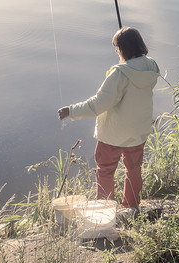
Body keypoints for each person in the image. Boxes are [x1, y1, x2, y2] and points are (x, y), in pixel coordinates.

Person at [57, 27, 159, 221]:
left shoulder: (119, 74)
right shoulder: (151, 67)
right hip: (138, 131)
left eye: (117, 47)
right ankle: (132, 207)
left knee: (105, 170)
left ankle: (105, 212)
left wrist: (72, 111)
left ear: (123, 48)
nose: (116, 52)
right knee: (134, 169)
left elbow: (99, 103)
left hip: (113, 134)